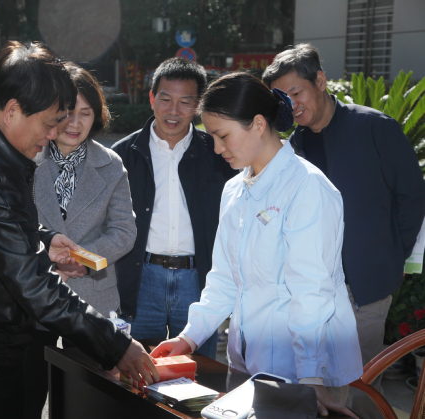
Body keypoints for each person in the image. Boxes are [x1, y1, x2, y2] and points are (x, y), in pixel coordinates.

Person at [0, 41, 159, 419]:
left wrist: (43, 237)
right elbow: (32, 284)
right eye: (49, 123)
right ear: (12, 110)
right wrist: (116, 345)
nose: (53, 134)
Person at [152, 72, 362, 419]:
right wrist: (189, 338)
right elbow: (224, 278)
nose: (217, 148)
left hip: (304, 370)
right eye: (212, 137)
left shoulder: (307, 188)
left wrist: (310, 376)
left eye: (222, 136)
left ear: (259, 124)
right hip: (247, 362)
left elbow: (312, 290)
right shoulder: (235, 190)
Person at [262, 43, 425, 418]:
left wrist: (392, 256)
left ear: (320, 81)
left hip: (364, 287)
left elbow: (412, 198)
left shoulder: (376, 128)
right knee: (318, 383)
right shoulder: (294, 146)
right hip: (312, 288)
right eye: (283, 99)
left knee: (358, 382)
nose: (292, 105)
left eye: (297, 92)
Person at [25, 63, 136, 418]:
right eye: (67, 112)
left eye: (85, 113)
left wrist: (83, 261)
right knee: (28, 394)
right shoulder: (27, 157)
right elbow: (15, 225)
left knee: (88, 401)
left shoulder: (111, 164)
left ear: (97, 116)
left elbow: (124, 231)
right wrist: (50, 258)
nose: (75, 123)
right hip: (34, 297)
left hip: (94, 298)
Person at [112, 57, 238, 359]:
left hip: (198, 281)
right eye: (166, 99)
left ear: (198, 105)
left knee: (199, 370)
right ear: (152, 99)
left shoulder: (219, 154)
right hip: (141, 279)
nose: (173, 111)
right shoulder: (123, 154)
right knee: (139, 368)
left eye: (185, 102)